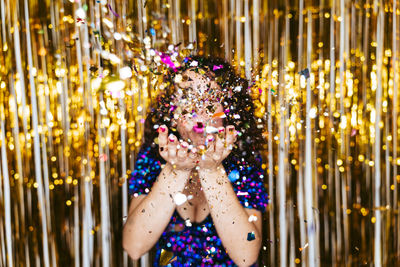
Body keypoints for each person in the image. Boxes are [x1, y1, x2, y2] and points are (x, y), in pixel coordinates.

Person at [122, 55, 268, 266]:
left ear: (227, 111)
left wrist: (211, 170)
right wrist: (176, 172)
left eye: (210, 99)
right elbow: (134, 247)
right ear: (172, 112)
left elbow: (246, 256)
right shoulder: (154, 156)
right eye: (189, 98)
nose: (200, 111)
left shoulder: (244, 160)